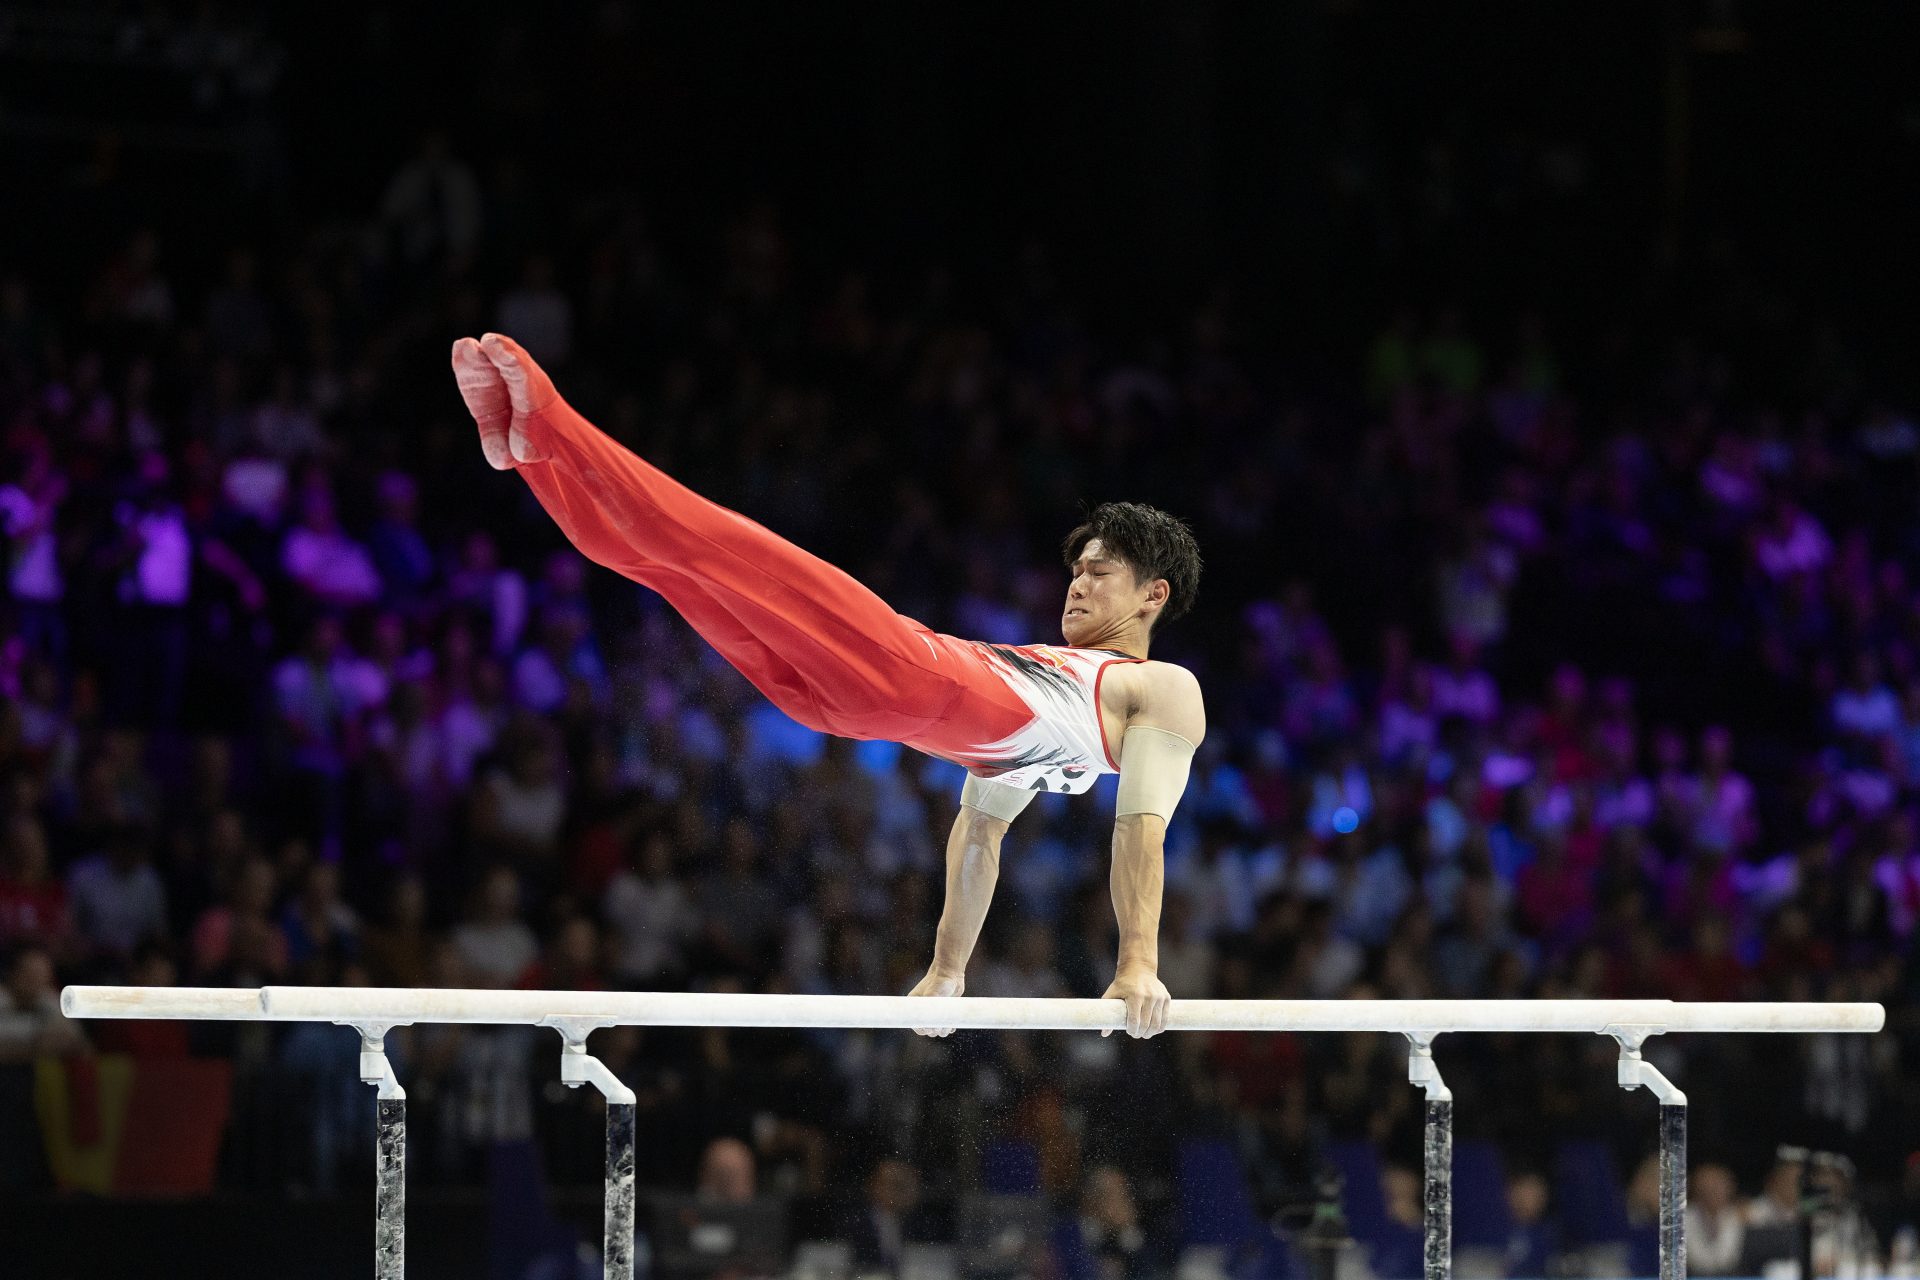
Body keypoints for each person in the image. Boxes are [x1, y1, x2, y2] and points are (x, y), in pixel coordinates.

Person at [451, 334, 1207, 1037]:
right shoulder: (1058, 693)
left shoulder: (1163, 690)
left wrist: (1136, 965)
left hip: (886, 685)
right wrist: (948, 970)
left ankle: (547, 428)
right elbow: (978, 832)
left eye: (1100, 572)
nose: (1077, 584)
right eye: (1075, 569)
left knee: (700, 551)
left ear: (1154, 596)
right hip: (879, 690)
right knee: (680, 566)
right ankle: (531, 450)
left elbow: (1139, 829)